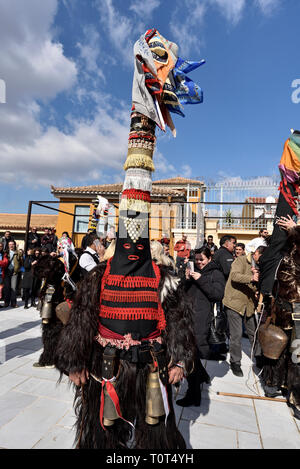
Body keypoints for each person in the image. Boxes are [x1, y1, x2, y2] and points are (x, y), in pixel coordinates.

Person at [177, 247, 226, 407]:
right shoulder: (192, 269)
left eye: (201, 260)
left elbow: (217, 294)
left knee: (190, 355)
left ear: (209, 259)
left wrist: (200, 279)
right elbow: (181, 290)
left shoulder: (215, 273)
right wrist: (185, 278)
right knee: (192, 353)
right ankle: (202, 376)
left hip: (201, 319)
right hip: (187, 317)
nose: (198, 262)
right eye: (197, 259)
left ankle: (194, 395)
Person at [260, 226, 300, 417]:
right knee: (276, 346)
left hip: (297, 309)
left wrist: (294, 230)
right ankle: (274, 383)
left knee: (297, 352)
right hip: (279, 307)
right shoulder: (282, 253)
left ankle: (296, 396)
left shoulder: (296, 252)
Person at [222, 246, 266, 376]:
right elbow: (235, 276)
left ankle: (258, 358)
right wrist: (251, 277)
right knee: (236, 335)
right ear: (256, 253)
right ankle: (235, 363)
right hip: (234, 303)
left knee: (254, 333)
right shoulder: (240, 261)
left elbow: (255, 285)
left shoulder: (259, 266)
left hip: (249, 305)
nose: (261, 261)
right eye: (261, 258)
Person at [3, 240, 21, 308]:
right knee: (7, 288)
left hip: (14, 272)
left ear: (14, 245)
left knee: (14, 288)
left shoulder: (18, 253)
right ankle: (6, 302)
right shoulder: (5, 252)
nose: (11, 245)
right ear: (8, 245)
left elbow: (21, 262)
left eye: (12, 244)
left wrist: (18, 269)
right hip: (7, 271)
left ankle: (13, 303)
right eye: (10, 244)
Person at [0, 242, 8, 307]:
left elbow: (5, 263)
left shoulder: (4, 254)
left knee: (0, 289)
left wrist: (0, 262)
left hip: (1, 274)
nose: (0, 247)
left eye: (1, 246)